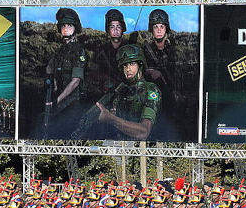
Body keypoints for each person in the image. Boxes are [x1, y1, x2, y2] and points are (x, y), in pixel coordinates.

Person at [93, 44, 161, 141]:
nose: (128, 69)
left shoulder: (151, 89)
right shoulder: (121, 91)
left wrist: (111, 119)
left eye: (132, 64)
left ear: (140, 65)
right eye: (125, 65)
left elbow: (144, 132)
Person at [44, 8, 88, 139]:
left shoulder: (79, 51)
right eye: (63, 26)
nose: (65, 29)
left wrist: (56, 101)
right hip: (60, 102)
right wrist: (53, 83)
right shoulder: (59, 52)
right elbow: (49, 70)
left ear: (75, 28)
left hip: (73, 103)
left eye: (69, 25)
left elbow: (75, 81)